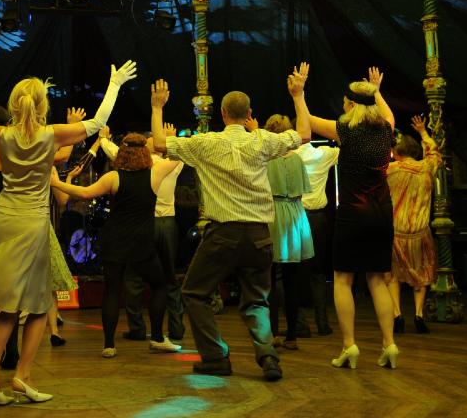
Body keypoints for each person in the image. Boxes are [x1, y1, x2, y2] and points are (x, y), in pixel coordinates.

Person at [0, 59, 136, 408]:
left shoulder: (1, 135)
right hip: (31, 220)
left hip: (0, 219)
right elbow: (96, 124)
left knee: (8, 306)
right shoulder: (51, 134)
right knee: (37, 304)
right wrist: (114, 85)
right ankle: (23, 375)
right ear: (42, 105)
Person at [148, 63, 310, 382]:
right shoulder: (261, 140)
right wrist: (299, 95)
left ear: (222, 114)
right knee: (257, 300)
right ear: (248, 113)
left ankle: (216, 356)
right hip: (260, 235)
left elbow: (158, 144)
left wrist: (157, 108)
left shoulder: (205, 143)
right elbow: (304, 134)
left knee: (194, 292)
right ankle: (268, 358)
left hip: (223, 235)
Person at [51, 132, 183, 358]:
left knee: (112, 291)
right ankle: (158, 338)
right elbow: (179, 157)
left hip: (114, 241)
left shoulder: (113, 177)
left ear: (122, 153)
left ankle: (109, 345)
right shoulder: (155, 172)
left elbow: (83, 193)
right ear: (145, 153)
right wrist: (169, 139)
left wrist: (56, 183)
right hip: (142, 242)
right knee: (160, 285)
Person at [304, 67, 400, 370]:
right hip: (382, 212)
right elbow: (386, 112)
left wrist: (298, 94)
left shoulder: (345, 130)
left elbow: (306, 123)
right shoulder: (387, 129)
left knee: (343, 279)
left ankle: (349, 345)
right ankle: (390, 344)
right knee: (378, 279)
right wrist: (376, 90)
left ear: (350, 105)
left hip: (352, 213)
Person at [100, 124, 187, 346]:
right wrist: (172, 140)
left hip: (141, 227)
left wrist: (103, 137)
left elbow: (112, 151)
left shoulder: (131, 172)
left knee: (134, 281)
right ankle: (175, 327)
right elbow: (181, 154)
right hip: (166, 224)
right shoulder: (168, 166)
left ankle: (137, 328)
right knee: (168, 278)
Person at [255, 114, 314, 350]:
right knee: (291, 280)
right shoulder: (298, 160)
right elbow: (305, 189)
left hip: (273, 214)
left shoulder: (266, 159)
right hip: (297, 215)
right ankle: (292, 335)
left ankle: (272, 333)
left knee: (268, 280)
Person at [386, 115, 442, 335]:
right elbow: (435, 153)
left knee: (392, 275)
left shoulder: (390, 170)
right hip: (419, 231)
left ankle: (397, 314)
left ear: (396, 152)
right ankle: (418, 314)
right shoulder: (426, 168)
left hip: (396, 231)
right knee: (421, 272)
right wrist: (423, 132)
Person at [296, 136, 340, 336]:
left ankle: (300, 324)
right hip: (318, 218)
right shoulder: (323, 154)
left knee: (292, 271)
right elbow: (344, 149)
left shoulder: (289, 156)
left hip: (295, 217)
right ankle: (323, 324)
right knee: (318, 272)